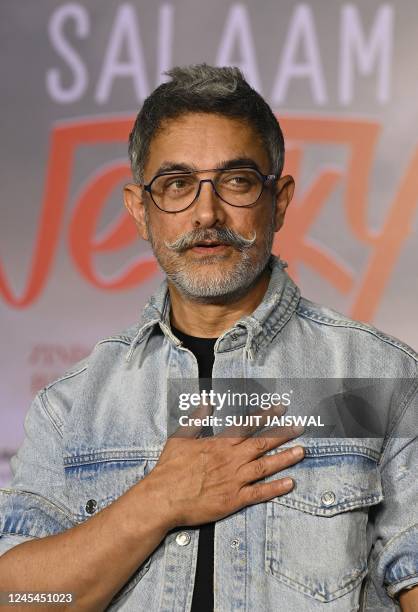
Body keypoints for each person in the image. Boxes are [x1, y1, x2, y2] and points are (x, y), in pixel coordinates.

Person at [0, 64, 417, 612]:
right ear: (139, 211)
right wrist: (159, 500)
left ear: (281, 199)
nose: (206, 212)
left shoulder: (379, 379)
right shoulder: (71, 405)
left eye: (236, 180)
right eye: (176, 185)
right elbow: (19, 597)